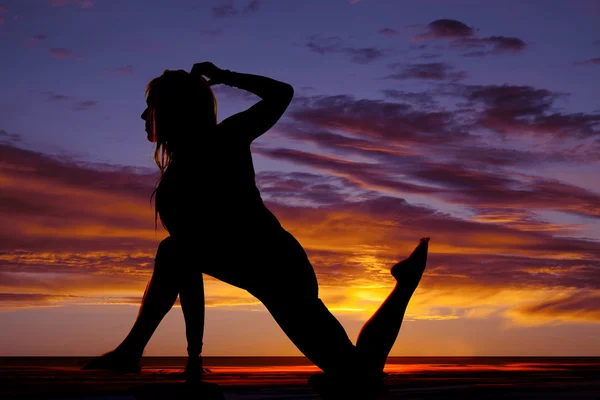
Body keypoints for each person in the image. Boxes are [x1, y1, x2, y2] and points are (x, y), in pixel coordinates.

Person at [84, 62, 430, 398]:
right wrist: (194, 356)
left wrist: (225, 77)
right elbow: (186, 270)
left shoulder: (226, 138)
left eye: (151, 108)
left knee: (357, 375)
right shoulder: (179, 167)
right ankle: (405, 282)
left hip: (279, 268)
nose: (145, 117)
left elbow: (282, 93)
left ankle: (130, 351)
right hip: (263, 269)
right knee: (358, 372)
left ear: (174, 110)